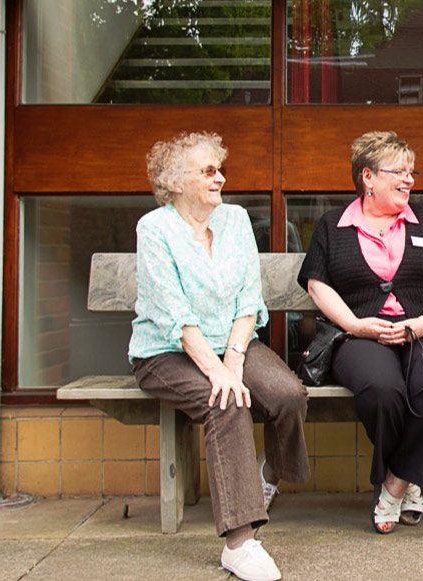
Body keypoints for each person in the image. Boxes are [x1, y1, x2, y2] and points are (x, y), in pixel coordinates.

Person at [129, 132, 310, 581]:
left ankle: (264, 477)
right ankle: (240, 543)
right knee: (225, 402)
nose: (220, 178)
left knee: (288, 395)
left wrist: (233, 359)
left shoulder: (235, 219)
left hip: (231, 341)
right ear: (174, 181)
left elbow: (250, 298)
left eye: (220, 169)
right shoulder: (155, 229)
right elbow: (175, 315)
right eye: (208, 171)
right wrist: (220, 375)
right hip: (166, 351)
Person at [297, 131, 423, 534]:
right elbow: (317, 283)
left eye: (412, 172)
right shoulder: (332, 226)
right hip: (359, 336)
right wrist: (355, 325)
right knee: (383, 390)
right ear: (367, 177)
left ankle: (396, 482)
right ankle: (407, 477)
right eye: (399, 172)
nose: (409, 179)